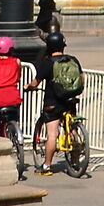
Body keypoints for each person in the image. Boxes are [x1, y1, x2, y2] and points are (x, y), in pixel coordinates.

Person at [36, 32, 83, 174]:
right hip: (70, 100)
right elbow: (81, 78)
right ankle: (75, 161)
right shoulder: (73, 60)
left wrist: (28, 87)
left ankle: (47, 165)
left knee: (52, 134)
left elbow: (35, 82)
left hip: (53, 103)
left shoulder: (48, 62)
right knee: (72, 130)